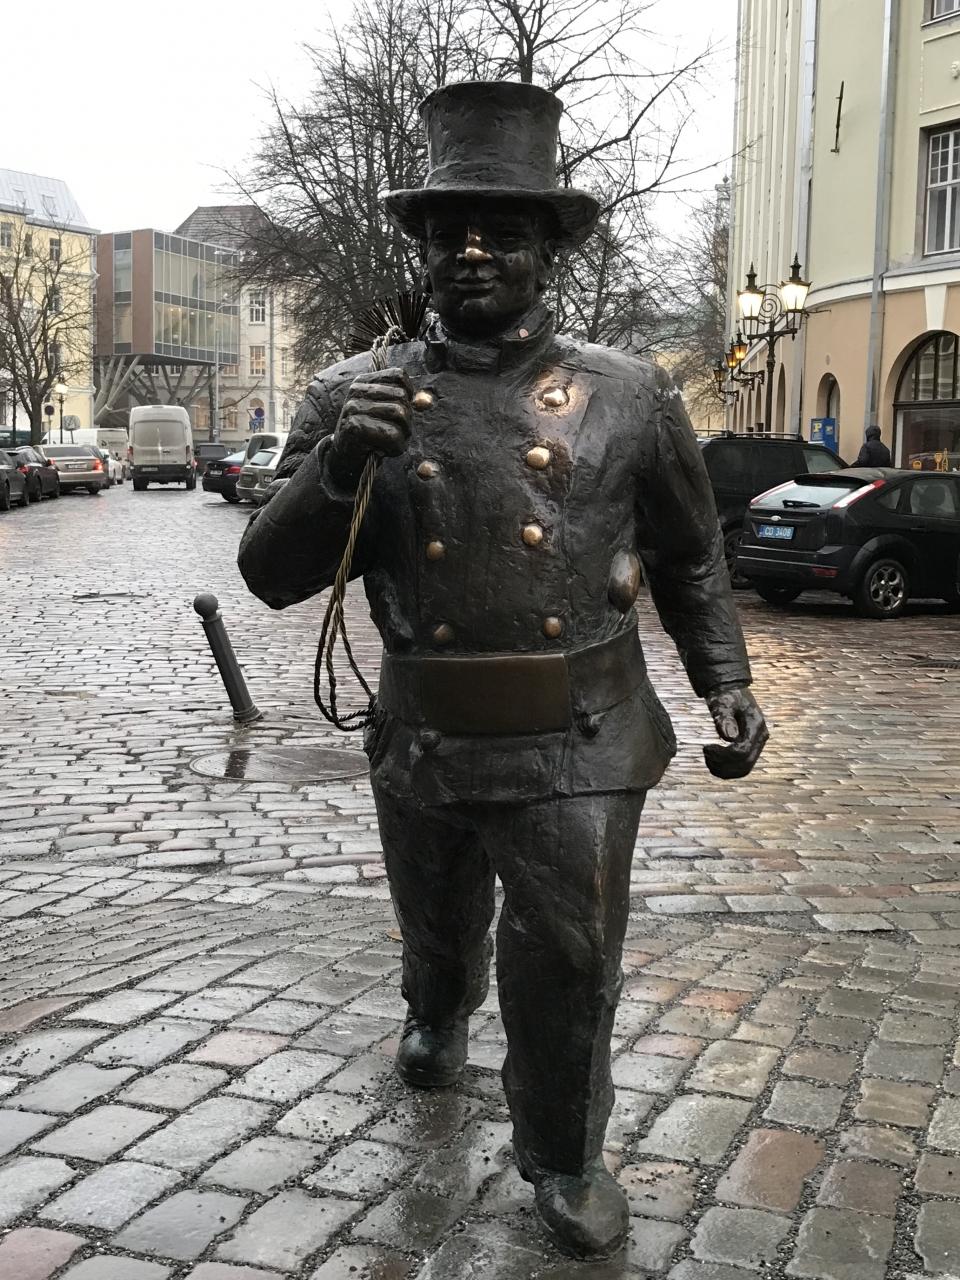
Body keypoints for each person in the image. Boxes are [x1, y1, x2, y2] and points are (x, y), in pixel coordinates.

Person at [238, 80, 768, 1260]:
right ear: (422, 249)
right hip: (427, 726)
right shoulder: (354, 393)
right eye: (449, 232)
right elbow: (270, 575)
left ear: (547, 249)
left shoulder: (630, 392)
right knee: (436, 917)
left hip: (581, 730)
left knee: (570, 952)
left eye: (502, 231)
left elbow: (690, 551)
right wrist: (337, 467)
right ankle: (436, 1007)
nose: (472, 251)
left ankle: (565, 1153)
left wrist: (724, 678)